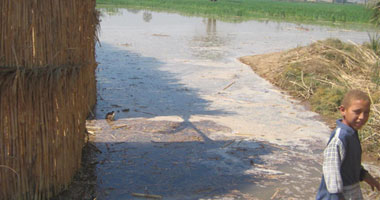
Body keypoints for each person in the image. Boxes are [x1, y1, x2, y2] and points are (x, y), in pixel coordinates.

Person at [316, 89, 380, 200]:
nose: (362, 117)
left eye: (366, 112)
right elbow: (331, 173)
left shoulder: (352, 134)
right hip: (335, 196)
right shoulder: (339, 138)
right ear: (343, 110)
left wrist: (368, 178)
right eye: (357, 112)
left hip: (351, 192)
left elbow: (351, 164)